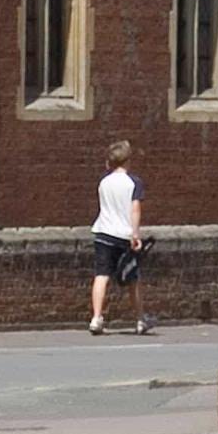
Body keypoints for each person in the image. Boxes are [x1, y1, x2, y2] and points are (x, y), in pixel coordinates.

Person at [87, 138, 147, 335]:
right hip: (124, 235)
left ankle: (96, 318)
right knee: (132, 278)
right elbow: (135, 209)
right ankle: (139, 319)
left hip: (103, 232)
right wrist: (135, 233)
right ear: (128, 160)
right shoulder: (134, 182)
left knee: (101, 275)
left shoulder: (104, 182)